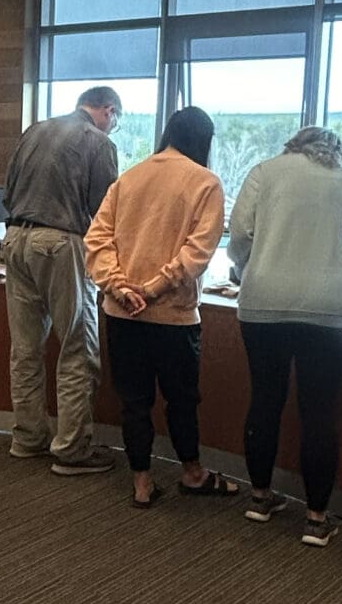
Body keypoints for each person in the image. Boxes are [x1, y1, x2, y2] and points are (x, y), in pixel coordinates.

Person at [85, 106, 237, 508]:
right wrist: (153, 289)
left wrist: (119, 287)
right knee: (182, 401)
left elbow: (97, 240)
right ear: (204, 140)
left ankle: (141, 483)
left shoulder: (130, 177)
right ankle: (193, 473)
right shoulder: (206, 182)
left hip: (122, 314)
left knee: (134, 402)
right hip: (174, 317)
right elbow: (198, 252)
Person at [227, 125, 342, 546]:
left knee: (264, 400)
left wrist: (246, 269)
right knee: (319, 412)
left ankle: (259, 498)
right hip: (330, 307)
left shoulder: (264, 171)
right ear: (336, 151)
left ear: (292, 146)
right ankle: (316, 519)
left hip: (264, 301)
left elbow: (240, 234)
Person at [1, 85, 121, 472]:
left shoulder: (34, 131)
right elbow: (105, 211)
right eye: (115, 120)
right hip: (61, 243)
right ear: (108, 111)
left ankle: (27, 437)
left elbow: (6, 193)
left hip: (14, 240)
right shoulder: (98, 142)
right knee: (77, 349)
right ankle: (71, 449)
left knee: (25, 350)